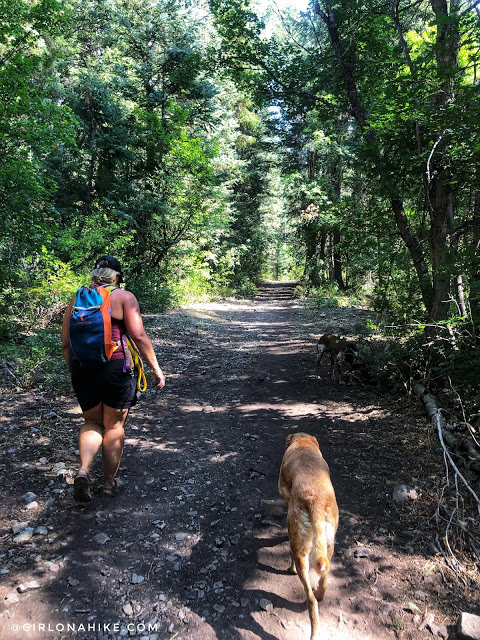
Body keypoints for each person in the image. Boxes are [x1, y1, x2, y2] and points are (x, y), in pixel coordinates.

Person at [62, 255, 166, 501]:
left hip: (82, 368)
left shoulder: (77, 298)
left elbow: (66, 343)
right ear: (117, 276)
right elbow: (139, 336)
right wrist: (156, 368)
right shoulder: (124, 297)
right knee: (114, 426)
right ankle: (108, 484)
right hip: (115, 368)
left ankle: (84, 470)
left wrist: (72, 370)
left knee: (91, 423)